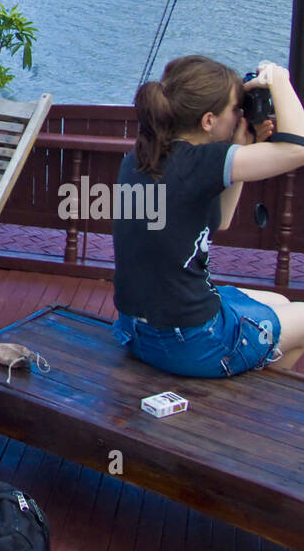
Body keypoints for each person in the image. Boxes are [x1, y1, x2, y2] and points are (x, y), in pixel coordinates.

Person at [112, 56, 304, 378]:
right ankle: (242, 400)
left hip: (138, 332)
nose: (239, 116)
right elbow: (298, 148)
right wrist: (279, 78)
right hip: (190, 341)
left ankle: (247, 389)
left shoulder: (142, 156)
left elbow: (220, 222)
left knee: (278, 300)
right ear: (208, 121)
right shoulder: (200, 162)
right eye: (234, 109)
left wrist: (240, 146)